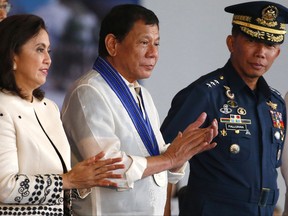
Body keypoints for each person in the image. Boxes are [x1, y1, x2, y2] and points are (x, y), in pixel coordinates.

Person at [61, 4, 218, 216]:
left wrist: (179, 155)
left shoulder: (142, 94)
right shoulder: (89, 91)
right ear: (112, 44)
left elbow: (157, 171)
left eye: (157, 44)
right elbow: (108, 170)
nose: (153, 53)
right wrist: (169, 158)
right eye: (144, 43)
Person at [161, 1, 288, 215]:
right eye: (251, 40)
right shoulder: (205, 94)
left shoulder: (276, 104)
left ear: (277, 53)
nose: (261, 53)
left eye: (270, 46)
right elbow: (161, 163)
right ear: (231, 43)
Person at [0, 14, 125, 216]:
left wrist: (86, 177)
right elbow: (5, 187)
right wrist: (70, 180)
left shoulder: (48, 107)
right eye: (40, 49)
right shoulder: (3, 107)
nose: (48, 59)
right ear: (12, 56)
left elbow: (62, 181)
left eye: (48, 50)